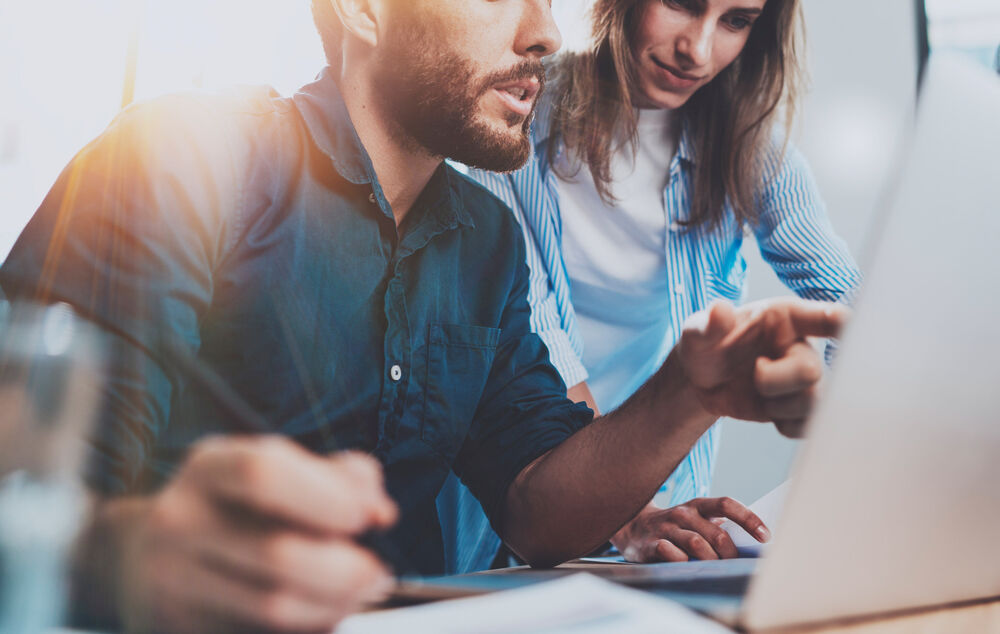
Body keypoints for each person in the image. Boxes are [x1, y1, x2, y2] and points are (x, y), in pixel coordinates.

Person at [0, 0, 845, 632]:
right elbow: (29, 502)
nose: (544, 36)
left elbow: (535, 506)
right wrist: (136, 553)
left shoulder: (485, 243)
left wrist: (686, 393)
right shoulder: (180, 160)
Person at [452, 0, 863, 567]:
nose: (697, 50)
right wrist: (622, 514)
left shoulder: (751, 148)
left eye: (736, 21)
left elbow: (846, 304)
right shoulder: (507, 122)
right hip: (520, 501)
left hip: (665, 511)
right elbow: (540, 344)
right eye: (683, 5)